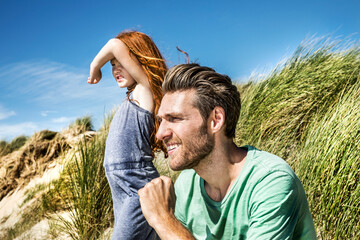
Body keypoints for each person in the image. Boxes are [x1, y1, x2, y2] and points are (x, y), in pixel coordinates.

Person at [138, 64, 317, 239]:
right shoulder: (186, 185)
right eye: (161, 120)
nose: (160, 134)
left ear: (215, 120)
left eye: (174, 118)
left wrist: (163, 220)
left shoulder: (271, 181)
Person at [88, 30, 167, 240]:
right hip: (122, 189)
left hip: (137, 187)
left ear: (139, 59)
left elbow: (114, 44)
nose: (115, 69)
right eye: (112, 64)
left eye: (120, 62)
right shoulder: (131, 98)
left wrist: (95, 66)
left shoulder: (144, 91)